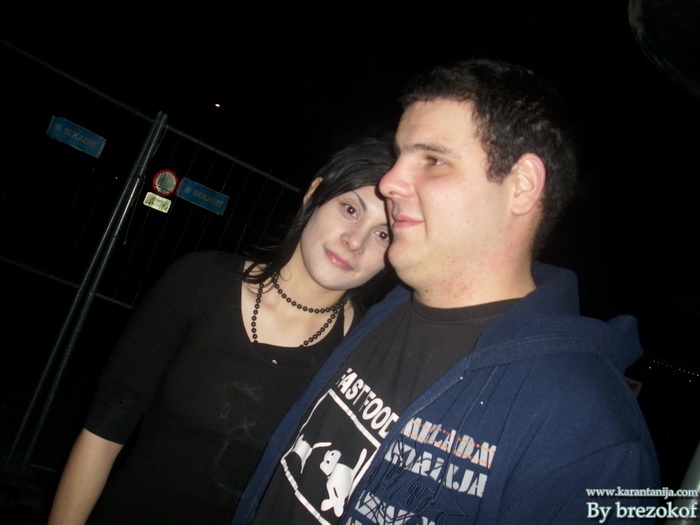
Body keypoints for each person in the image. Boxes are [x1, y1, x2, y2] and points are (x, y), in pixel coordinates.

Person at [231, 59, 662, 525]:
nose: (389, 183)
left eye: (433, 160)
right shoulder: (390, 311)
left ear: (521, 187)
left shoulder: (591, 438)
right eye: (399, 157)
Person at [47, 136, 398, 525]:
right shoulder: (199, 283)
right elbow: (104, 430)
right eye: (350, 209)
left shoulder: (367, 353)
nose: (355, 241)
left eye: (383, 233)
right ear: (314, 194)